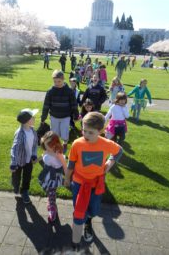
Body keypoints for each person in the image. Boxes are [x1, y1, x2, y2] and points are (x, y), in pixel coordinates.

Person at [64, 112, 123, 250]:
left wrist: (109, 164)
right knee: (79, 212)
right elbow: (71, 164)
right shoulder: (77, 144)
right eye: (84, 130)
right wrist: (67, 178)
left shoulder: (105, 143)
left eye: (90, 132)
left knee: (94, 210)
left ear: (101, 131)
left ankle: (88, 222)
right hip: (79, 184)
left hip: (96, 184)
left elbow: (119, 151)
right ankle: (76, 241)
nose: (86, 135)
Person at [41, 70, 79, 154]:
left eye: (59, 81)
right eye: (55, 81)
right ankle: (55, 144)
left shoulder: (69, 91)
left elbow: (74, 104)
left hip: (65, 116)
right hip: (54, 116)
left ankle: (65, 143)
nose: (57, 83)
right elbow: (46, 105)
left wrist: (76, 115)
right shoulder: (50, 91)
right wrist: (43, 117)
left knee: (64, 131)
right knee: (54, 132)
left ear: (63, 79)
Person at [10, 108, 39, 204]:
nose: (34, 118)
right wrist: (13, 163)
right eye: (32, 117)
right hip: (19, 160)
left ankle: (25, 191)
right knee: (16, 176)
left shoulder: (33, 131)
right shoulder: (19, 134)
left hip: (28, 160)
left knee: (27, 176)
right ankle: (16, 186)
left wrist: (34, 155)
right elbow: (14, 148)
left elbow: (35, 145)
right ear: (27, 121)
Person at [38, 131, 67, 222]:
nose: (48, 147)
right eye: (46, 145)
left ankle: (52, 209)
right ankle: (51, 199)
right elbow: (43, 155)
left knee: (51, 191)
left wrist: (67, 177)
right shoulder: (47, 150)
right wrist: (36, 160)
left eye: (51, 145)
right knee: (48, 189)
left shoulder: (57, 153)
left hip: (54, 176)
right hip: (46, 173)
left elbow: (64, 165)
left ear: (55, 143)